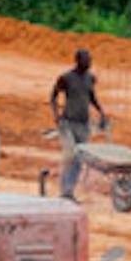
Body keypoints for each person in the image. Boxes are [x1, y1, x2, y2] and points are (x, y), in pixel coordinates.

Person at [50, 48, 111, 200]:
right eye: (86, 60)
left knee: (79, 158)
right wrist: (56, 115)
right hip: (68, 123)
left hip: (84, 124)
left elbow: (91, 97)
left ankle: (69, 191)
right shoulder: (66, 78)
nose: (89, 63)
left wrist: (101, 111)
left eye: (90, 60)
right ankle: (64, 189)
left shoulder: (90, 78)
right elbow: (53, 96)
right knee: (70, 155)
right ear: (78, 61)